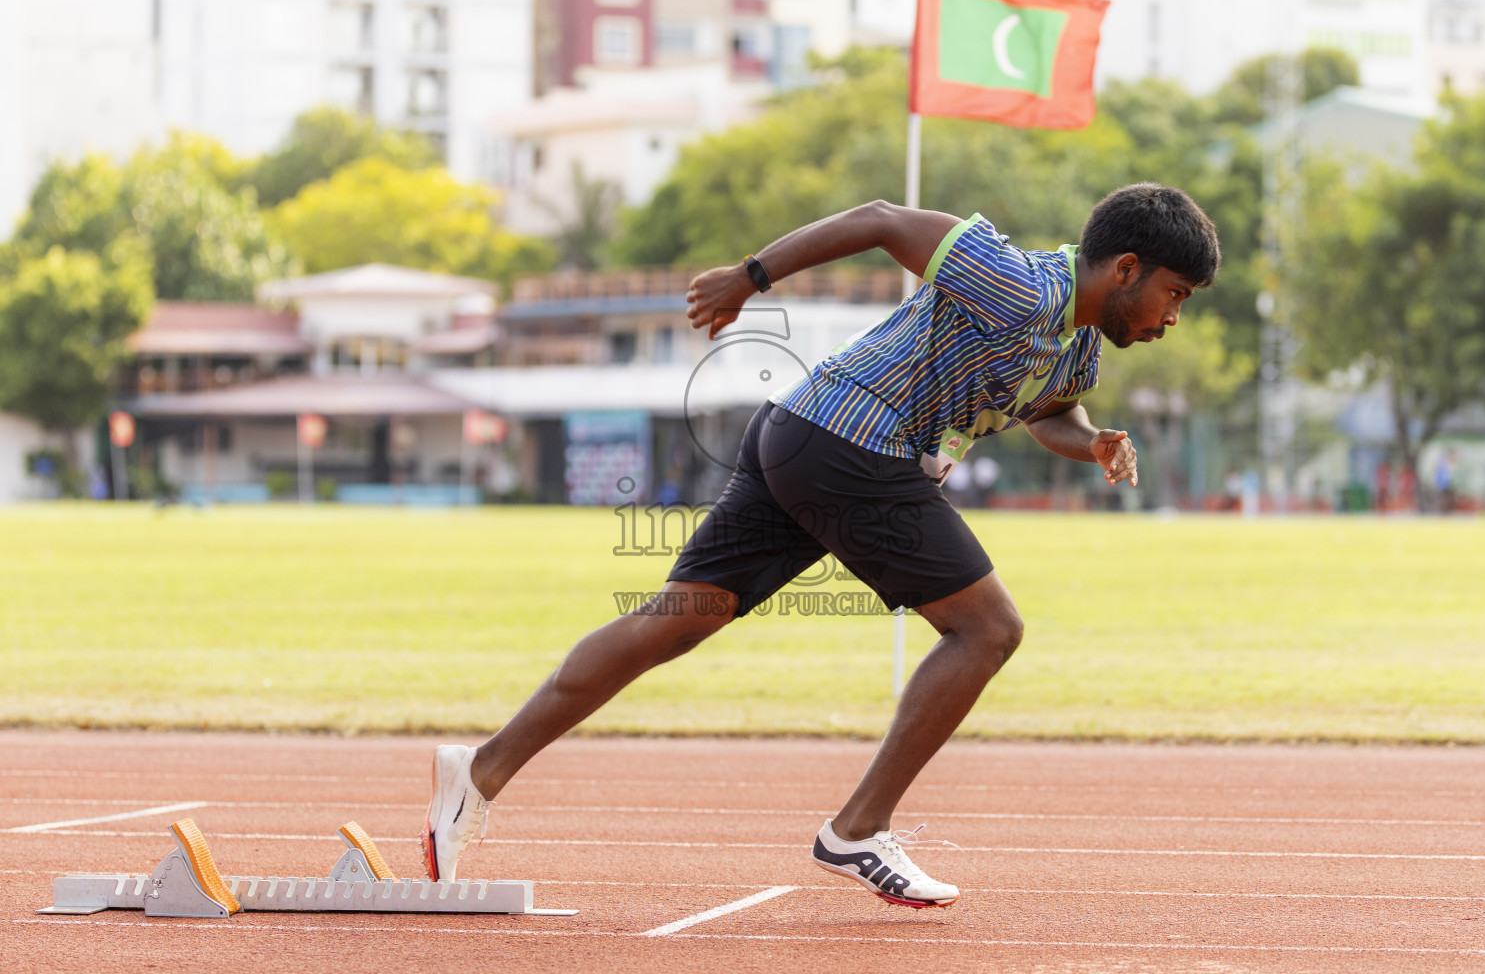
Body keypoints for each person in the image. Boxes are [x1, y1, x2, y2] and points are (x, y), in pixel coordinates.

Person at [422, 183, 1221, 908]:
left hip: (801, 435)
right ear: (1125, 268)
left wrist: (1093, 444)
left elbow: (1050, 413)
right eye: (1174, 294)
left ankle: (479, 772)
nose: (1172, 317)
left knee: (675, 620)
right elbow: (879, 220)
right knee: (988, 629)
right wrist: (750, 276)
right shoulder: (1017, 280)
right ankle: (857, 830)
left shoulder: (1077, 344)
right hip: (850, 441)